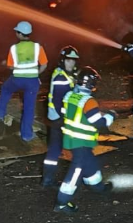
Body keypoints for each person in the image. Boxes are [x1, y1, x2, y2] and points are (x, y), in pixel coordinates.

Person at [54, 66, 115, 213]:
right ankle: (62, 203)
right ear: (92, 84)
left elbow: (63, 113)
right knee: (76, 171)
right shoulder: (89, 102)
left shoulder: (69, 96)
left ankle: (98, 187)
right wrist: (111, 116)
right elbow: (99, 123)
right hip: (80, 141)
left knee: (90, 162)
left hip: (72, 138)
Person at [0, 21, 48, 142]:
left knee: (6, 89)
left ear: (19, 34)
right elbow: (44, 65)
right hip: (32, 81)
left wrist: (8, 65)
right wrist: (36, 73)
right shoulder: (37, 47)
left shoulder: (14, 48)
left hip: (17, 79)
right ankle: (27, 135)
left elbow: (10, 66)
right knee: (29, 108)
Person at [42, 45, 80, 187]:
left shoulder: (66, 74)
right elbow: (58, 101)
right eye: (69, 60)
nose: (72, 63)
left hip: (60, 118)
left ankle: (47, 179)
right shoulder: (60, 77)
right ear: (63, 60)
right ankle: (49, 180)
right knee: (69, 148)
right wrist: (65, 118)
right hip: (59, 119)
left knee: (55, 149)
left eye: (74, 60)